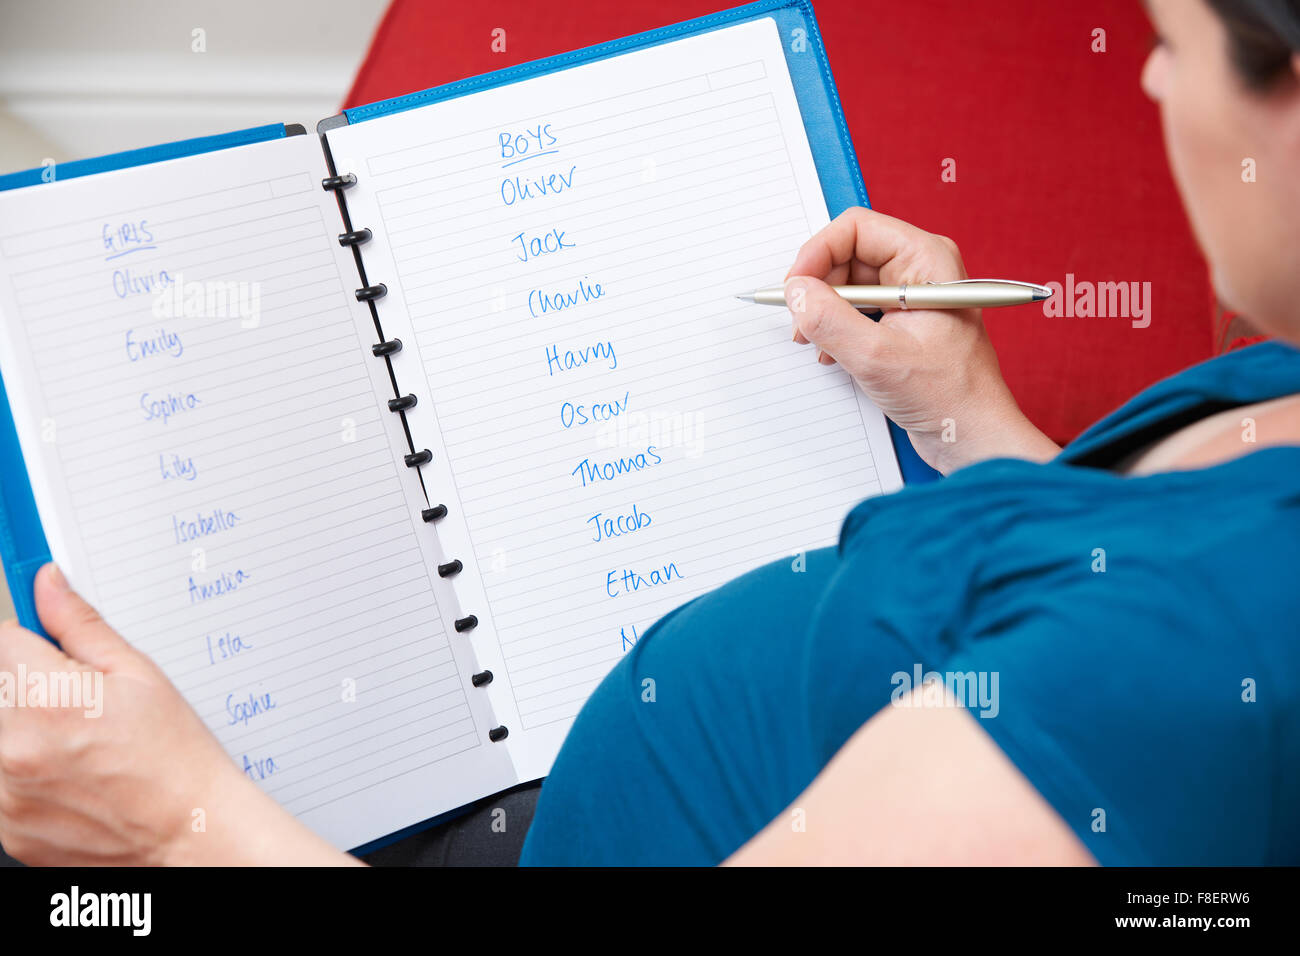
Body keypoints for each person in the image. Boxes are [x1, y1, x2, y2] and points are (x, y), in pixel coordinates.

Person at [1, 0, 1298, 866]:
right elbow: (1101, 598)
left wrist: (177, 820)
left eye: (1170, 36)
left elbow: (1140, 670)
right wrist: (972, 421)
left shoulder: (1197, 670)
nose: (1145, 72)